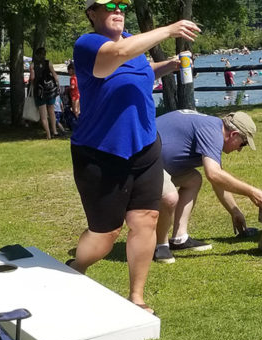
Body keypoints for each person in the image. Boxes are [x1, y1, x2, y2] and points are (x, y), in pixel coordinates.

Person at [68, 0, 200, 314]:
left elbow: (138, 66)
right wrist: (168, 30)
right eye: (108, 4)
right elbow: (115, 58)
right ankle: (76, 266)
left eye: (122, 4)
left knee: (147, 220)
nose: (117, 9)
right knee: (106, 233)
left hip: (144, 146)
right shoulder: (88, 45)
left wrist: (166, 65)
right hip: (100, 152)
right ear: (92, 13)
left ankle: (136, 297)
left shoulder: (131, 43)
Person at [153, 110, 262, 263]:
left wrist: (234, 211)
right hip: (141, 162)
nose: (240, 149)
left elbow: (218, 180)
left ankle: (180, 238)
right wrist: (252, 192)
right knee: (169, 196)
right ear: (233, 134)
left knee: (193, 179)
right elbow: (213, 174)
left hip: (154, 160)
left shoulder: (212, 127)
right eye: (243, 143)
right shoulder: (212, 133)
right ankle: (160, 245)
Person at [29, 47, 61, 139]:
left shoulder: (32, 65)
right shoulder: (49, 63)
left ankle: (48, 134)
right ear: (44, 55)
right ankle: (54, 131)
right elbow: (55, 76)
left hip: (39, 91)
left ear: (36, 55)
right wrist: (57, 86)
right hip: (49, 90)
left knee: (43, 114)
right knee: (51, 111)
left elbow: (32, 78)